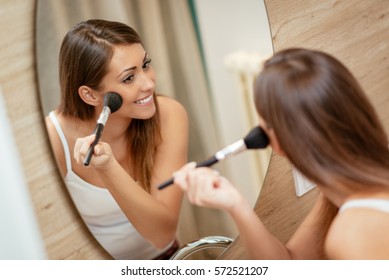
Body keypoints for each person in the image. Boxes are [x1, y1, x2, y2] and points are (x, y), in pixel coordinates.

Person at [173, 48, 389, 259]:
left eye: (264, 128)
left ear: (278, 143)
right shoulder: (344, 191)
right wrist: (236, 204)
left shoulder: (352, 235)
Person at [45, 19, 188, 260]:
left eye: (146, 65)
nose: (149, 83)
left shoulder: (169, 115)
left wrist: (108, 168)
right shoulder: (54, 139)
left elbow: (162, 234)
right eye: (128, 78)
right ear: (89, 94)